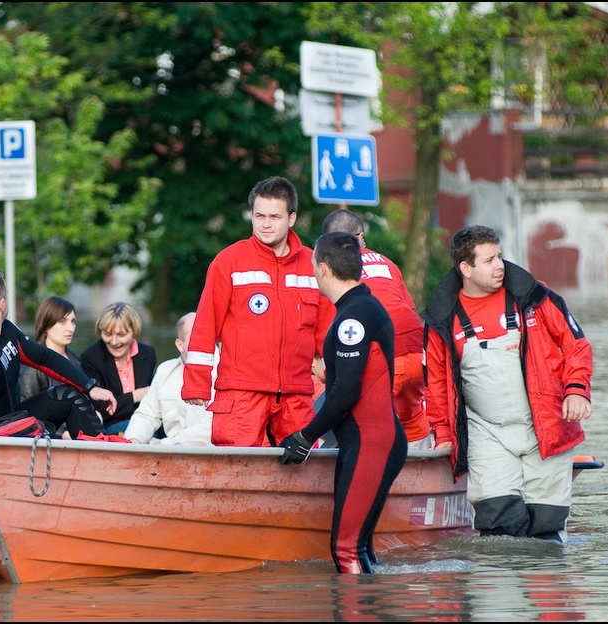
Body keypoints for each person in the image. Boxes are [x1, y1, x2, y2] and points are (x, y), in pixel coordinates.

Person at [421, 225, 593, 543]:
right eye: (489, 260)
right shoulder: (441, 318)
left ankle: (545, 586)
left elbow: (576, 343)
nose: (500, 265)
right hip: (487, 434)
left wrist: (577, 390)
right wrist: (444, 435)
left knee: (546, 530)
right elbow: (435, 382)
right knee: (498, 529)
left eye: (499, 256)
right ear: (466, 269)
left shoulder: (533, 295)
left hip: (546, 426)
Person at [278, 231, 407, 574]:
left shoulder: (354, 316)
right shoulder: (360, 306)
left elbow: (347, 392)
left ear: (323, 269)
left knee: (346, 549)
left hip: (371, 443)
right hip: (373, 440)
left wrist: (305, 437)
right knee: (360, 547)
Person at [182, 175, 335, 447]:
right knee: (238, 473)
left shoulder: (312, 265)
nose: (265, 224)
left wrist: (345, 380)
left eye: (275, 217)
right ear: (251, 215)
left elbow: (328, 333)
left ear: (291, 218)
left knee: (305, 476)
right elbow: (206, 325)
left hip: (295, 395)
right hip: (241, 394)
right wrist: (197, 383)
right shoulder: (229, 261)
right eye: (259, 215)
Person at [0, 266, 117, 437]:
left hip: (8, 420)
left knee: (69, 396)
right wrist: (33, 428)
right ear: (2, 304)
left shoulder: (5, 329)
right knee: (35, 426)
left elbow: (44, 358)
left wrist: (90, 387)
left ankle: (101, 453)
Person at [321, 209, 432, 449]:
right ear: (360, 237)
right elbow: (404, 310)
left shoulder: (334, 271)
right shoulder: (387, 263)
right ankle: (422, 477)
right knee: (412, 422)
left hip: (387, 360)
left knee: (365, 435)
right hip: (418, 353)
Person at [123, 312, 214, 445]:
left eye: (208, 336)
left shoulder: (224, 374)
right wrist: (133, 440)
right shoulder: (165, 371)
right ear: (179, 345)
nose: (205, 342)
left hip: (211, 454)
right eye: (197, 337)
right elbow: (147, 415)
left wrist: (166, 444)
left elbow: (213, 427)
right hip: (170, 453)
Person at [79, 301, 157, 435]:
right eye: (108, 334)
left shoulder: (147, 354)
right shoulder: (91, 357)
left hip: (147, 422)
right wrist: (136, 395)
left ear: (134, 331)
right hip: (110, 427)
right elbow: (101, 410)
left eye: (121, 335)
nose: (114, 341)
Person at [19, 296, 81, 440]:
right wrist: (62, 433)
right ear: (47, 324)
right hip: (50, 441)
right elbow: (27, 415)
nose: (70, 328)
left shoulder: (73, 357)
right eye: (62, 322)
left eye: (73, 322)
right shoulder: (32, 366)